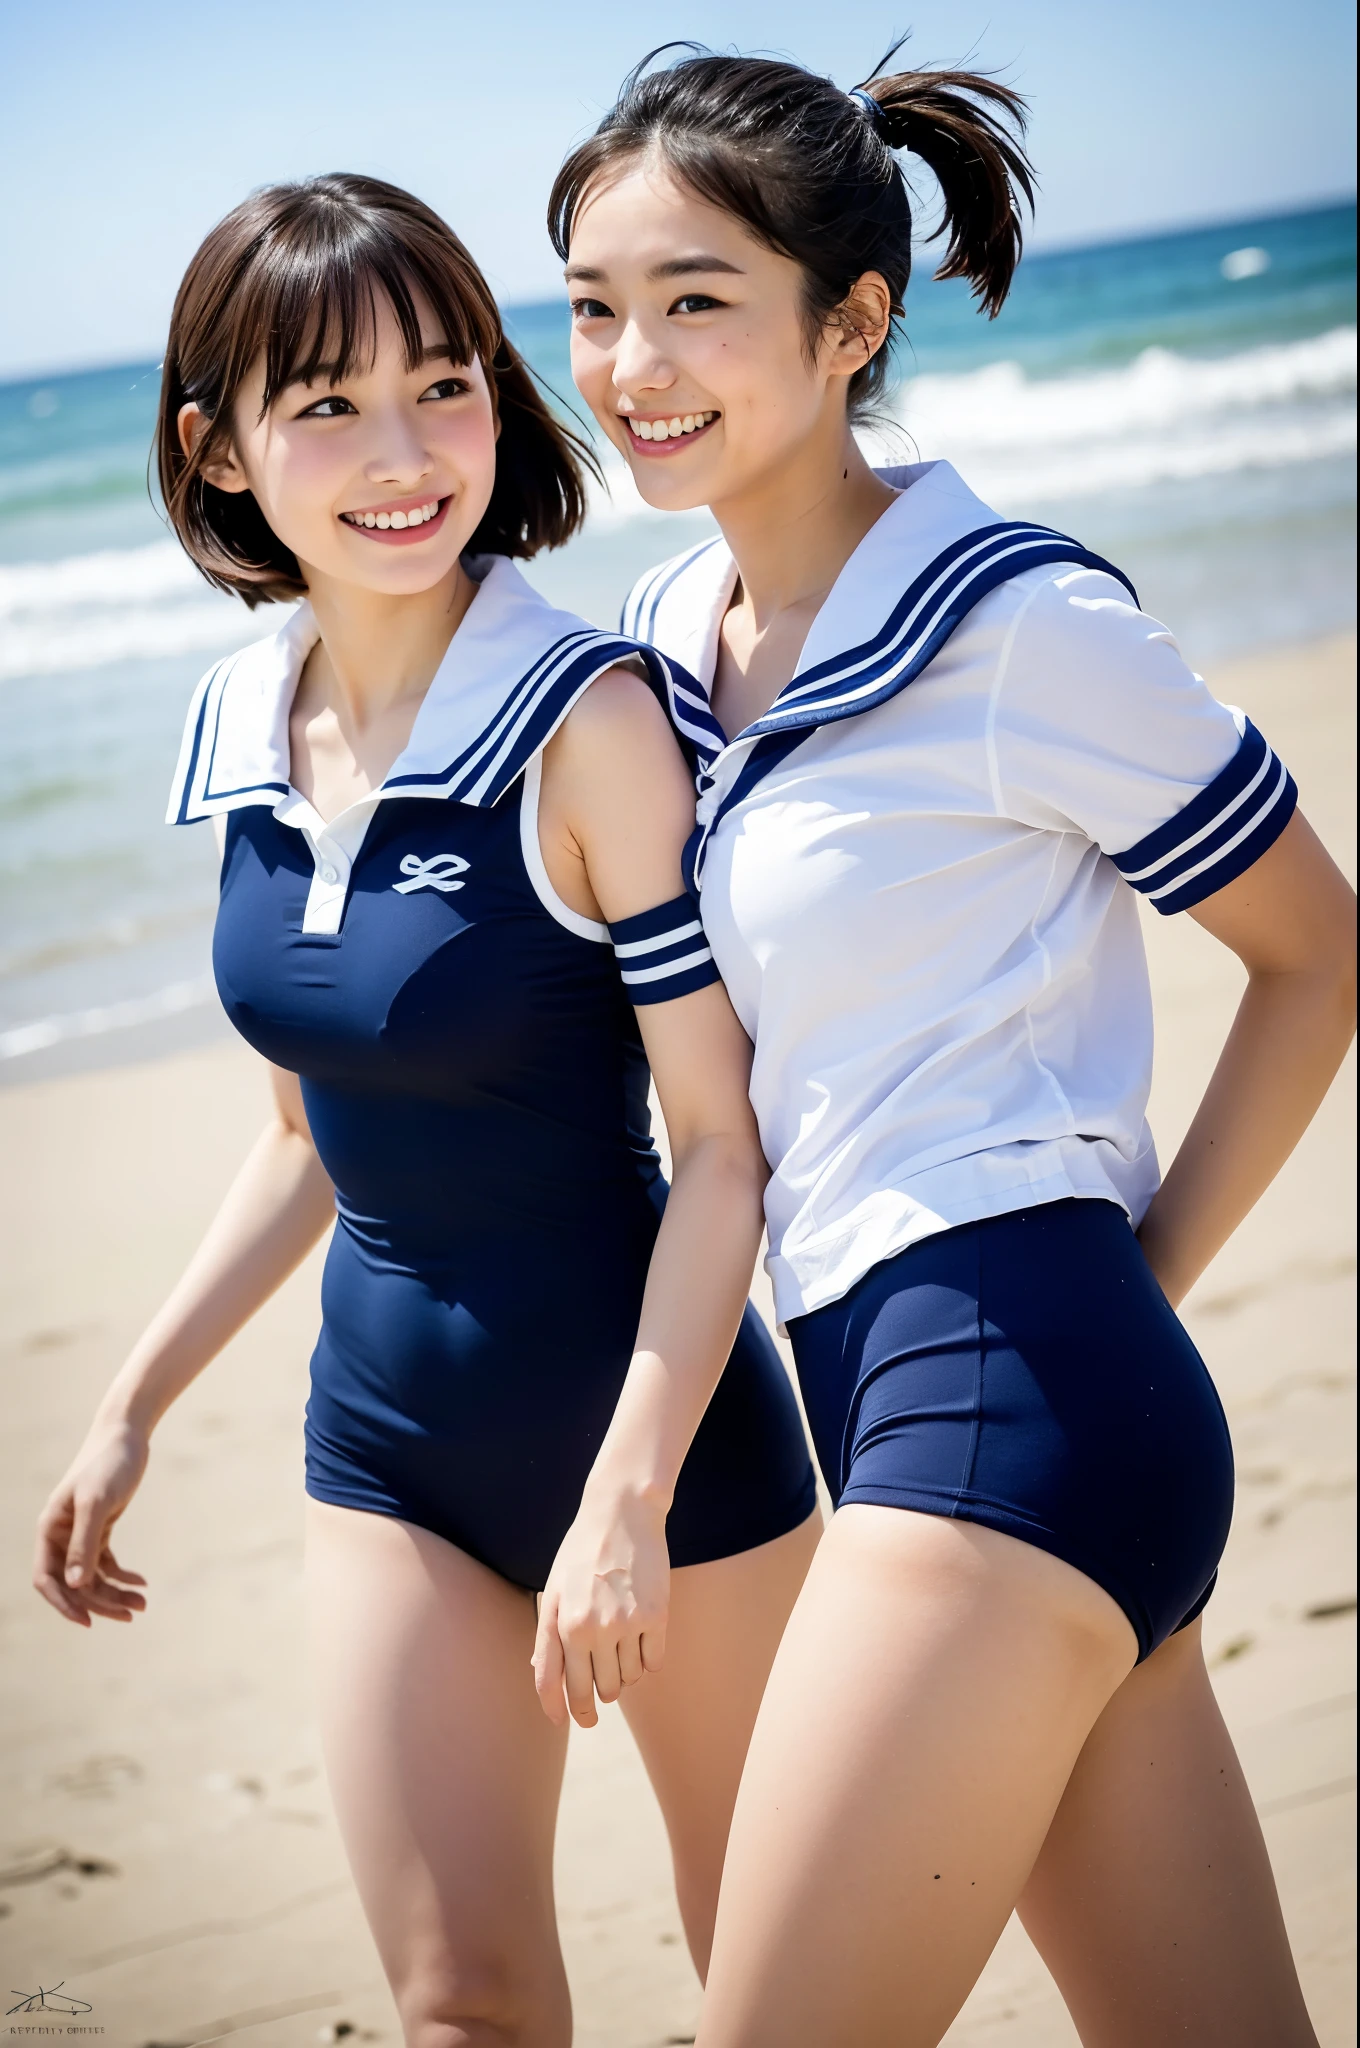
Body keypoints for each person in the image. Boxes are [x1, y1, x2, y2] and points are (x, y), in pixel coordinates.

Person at [536, 45, 1357, 2046]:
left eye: (693, 299)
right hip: (922, 1405)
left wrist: (1122, 1293)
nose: (630, 359)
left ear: (852, 321)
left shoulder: (1016, 624)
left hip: (1009, 1406)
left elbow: (1317, 957)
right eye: (587, 304)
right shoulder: (655, 647)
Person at [31, 173, 820, 2046]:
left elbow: (723, 1149)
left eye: (446, 383)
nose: (405, 454)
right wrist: (130, 1407)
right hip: (383, 1449)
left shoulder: (585, 719)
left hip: (670, 1455)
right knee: (459, 2004)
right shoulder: (243, 721)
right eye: (327, 407)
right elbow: (308, 1135)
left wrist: (624, 1502)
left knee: (785, 1999)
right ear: (217, 453)